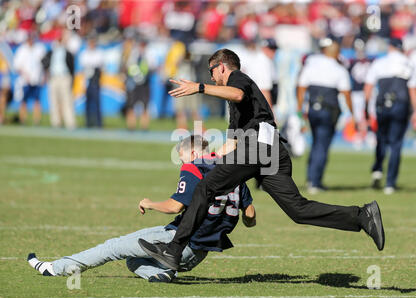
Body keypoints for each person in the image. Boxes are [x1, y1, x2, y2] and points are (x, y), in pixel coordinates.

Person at [139, 48, 385, 272]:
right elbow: (231, 143)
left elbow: (236, 94)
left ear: (222, 67)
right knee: (297, 210)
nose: (212, 77)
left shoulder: (238, 79)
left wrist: (200, 87)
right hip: (269, 149)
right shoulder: (236, 104)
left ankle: (172, 251)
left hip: (257, 147)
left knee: (206, 188)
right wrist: (207, 157)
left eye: (212, 72)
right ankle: (362, 215)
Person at [27, 135, 256, 283]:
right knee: (133, 261)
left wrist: (149, 203)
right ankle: (163, 273)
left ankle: (55, 268)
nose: (181, 161)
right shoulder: (235, 176)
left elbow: (175, 206)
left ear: (194, 153)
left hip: (177, 243)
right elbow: (250, 215)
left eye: (182, 156)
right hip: (198, 255)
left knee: (113, 247)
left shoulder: (194, 166)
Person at [296, 37, 355, 194]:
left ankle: (311, 178)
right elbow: (346, 94)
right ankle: (315, 181)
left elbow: (301, 88)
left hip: (313, 109)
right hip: (329, 110)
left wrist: (300, 109)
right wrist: (352, 113)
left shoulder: (311, 66)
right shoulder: (339, 69)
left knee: (316, 144)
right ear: (336, 53)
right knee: (322, 145)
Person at [363, 38, 416, 195]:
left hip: (382, 104)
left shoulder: (379, 62)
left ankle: (377, 168)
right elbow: (413, 90)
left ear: (390, 47)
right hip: (400, 105)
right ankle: (390, 182)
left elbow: (368, 87)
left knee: (381, 138)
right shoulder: (407, 63)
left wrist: (365, 110)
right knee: (396, 143)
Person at [42, 31, 76, 130]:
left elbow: (72, 67)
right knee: (54, 101)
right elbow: (44, 62)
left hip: (64, 77)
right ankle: (56, 122)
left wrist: (71, 79)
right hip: (53, 77)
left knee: (67, 100)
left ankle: (70, 123)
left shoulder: (68, 52)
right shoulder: (51, 51)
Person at [13, 31, 46, 125]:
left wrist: (44, 76)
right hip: (25, 80)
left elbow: (44, 64)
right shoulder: (22, 50)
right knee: (24, 101)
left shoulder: (40, 49)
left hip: (37, 79)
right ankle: (22, 119)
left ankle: (37, 121)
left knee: (37, 100)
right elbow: (17, 66)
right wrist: (25, 75)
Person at [123, 37, 154, 130]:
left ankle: (144, 126)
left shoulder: (149, 54)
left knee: (145, 105)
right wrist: (134, 73)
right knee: (131, 105)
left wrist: (145, 71)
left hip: (145, 83)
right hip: (134, 83)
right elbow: (128, 66)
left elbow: (153, 66)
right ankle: (131, 126)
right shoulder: (134, 54)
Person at [79, 34, 103, 128]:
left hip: (95, 80)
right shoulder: (84, 53)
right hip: (87, 80)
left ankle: (98, 123)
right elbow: (84, 67)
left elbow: (99, 66)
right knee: (88, 103)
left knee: (97, 103)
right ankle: (88, 122)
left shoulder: (99, 53)